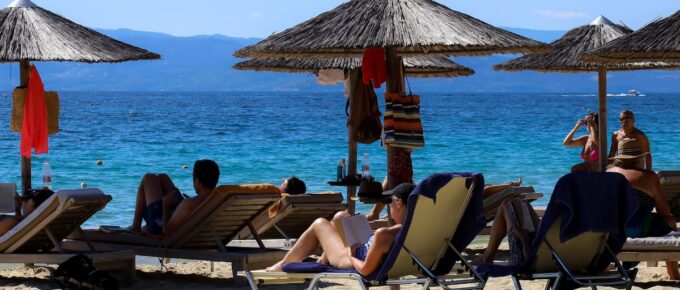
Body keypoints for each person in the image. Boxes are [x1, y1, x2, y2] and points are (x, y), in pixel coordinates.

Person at [266, 183, 414, 275]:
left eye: (391, 202)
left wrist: (351, 255)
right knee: (341, 216)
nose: (390, 206)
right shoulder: (411, 230)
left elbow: (364, 270)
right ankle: (324, 259)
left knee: (320, 224)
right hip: (368, 249)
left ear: (399, 203)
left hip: (352, 259)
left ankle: (282, 265)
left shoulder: (385, 234)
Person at [607, 143, 679, 279]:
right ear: (639, 159)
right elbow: (664, 211)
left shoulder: (607, 174)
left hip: (610, 233)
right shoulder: (648, 176)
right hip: (637, 231)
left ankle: (604, 270)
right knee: (669, 221)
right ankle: (674, 273)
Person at [130, 159, 220, 236]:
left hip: (160, 226)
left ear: (197, 181)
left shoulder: (188, 204)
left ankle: (135, 227)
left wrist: (166, 204)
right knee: (163, 177)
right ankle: (144, 228)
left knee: (148, 178)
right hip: (182, 222)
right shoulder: (215, 198)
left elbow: (166, 232)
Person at [367, 147, 413, 221]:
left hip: (399, 149)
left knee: (393, 178)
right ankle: (391, 212)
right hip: (404, 149)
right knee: (402, 178)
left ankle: (376, 213)